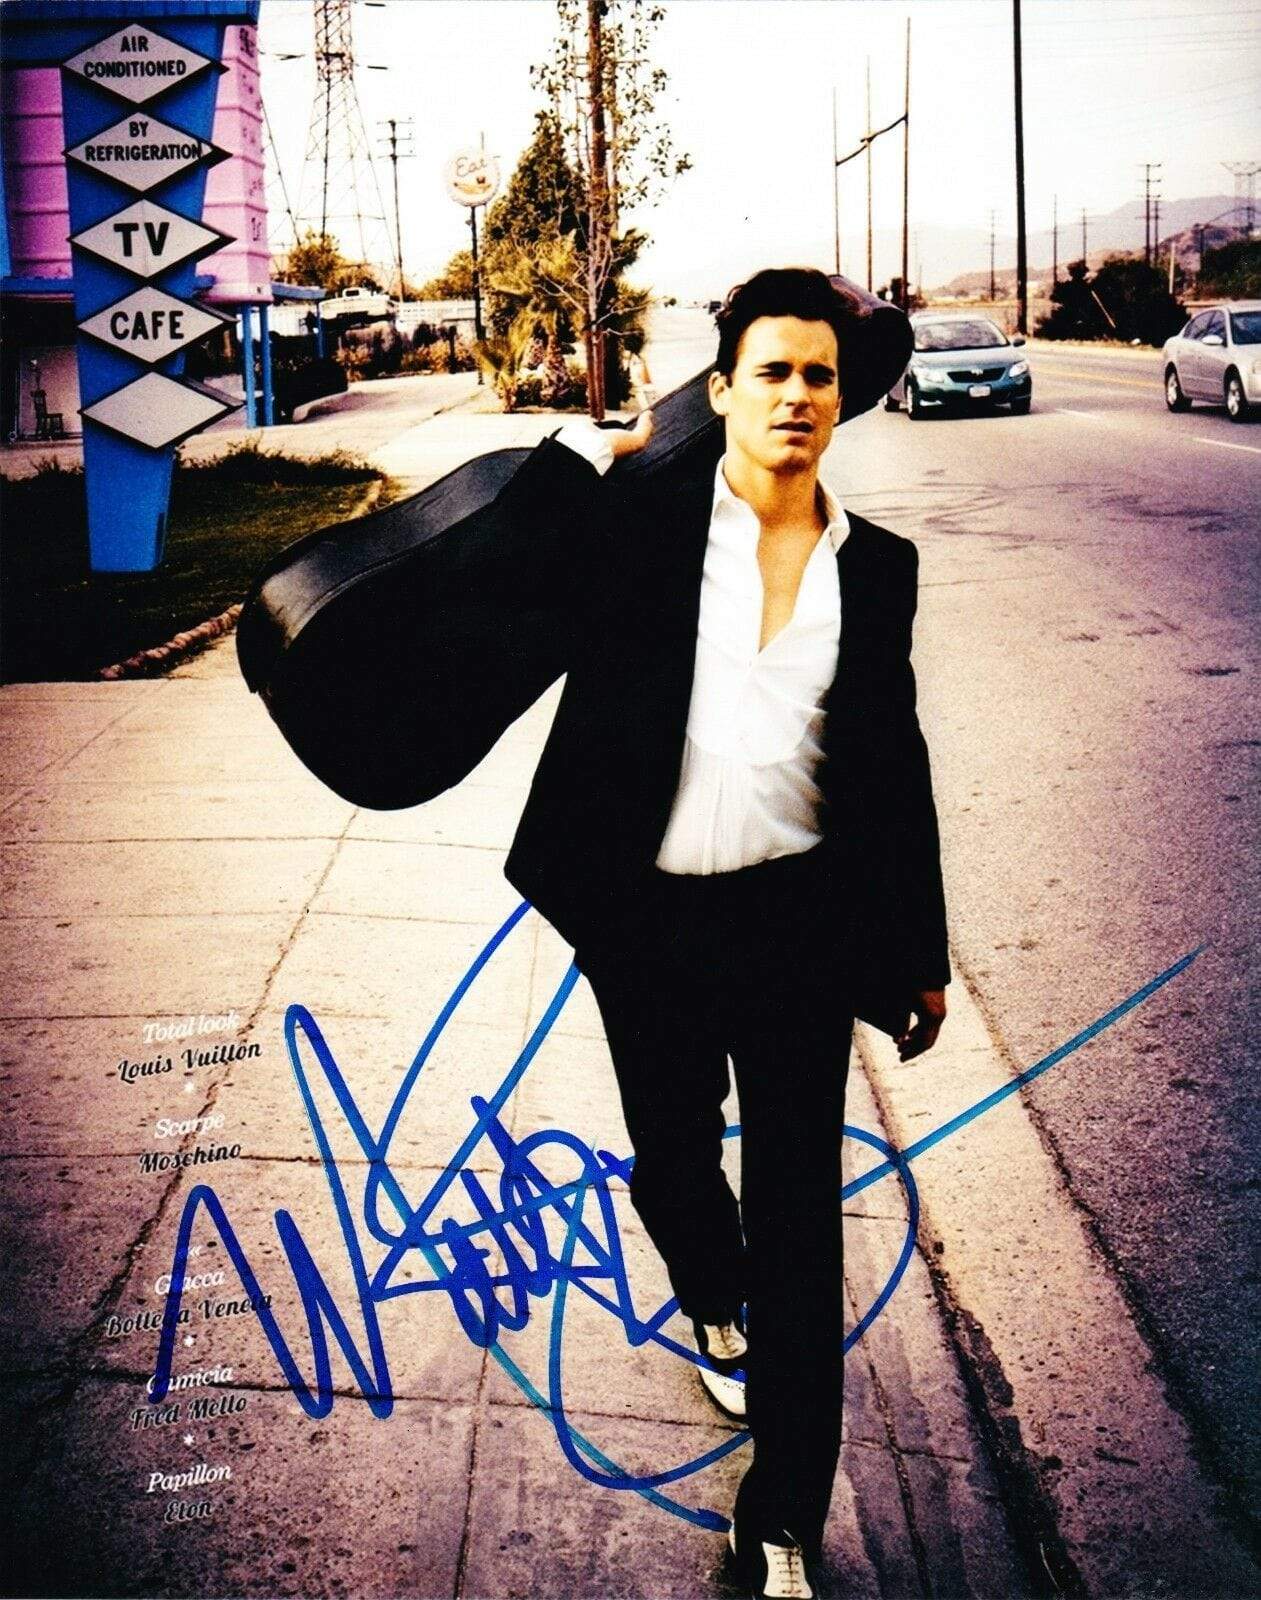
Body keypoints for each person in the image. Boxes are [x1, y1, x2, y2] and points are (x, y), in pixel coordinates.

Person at [499, 266, 950, 1600]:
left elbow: (892, 765)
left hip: (797, 926)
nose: (798, 395)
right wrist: (579, 455)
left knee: (803, 1222)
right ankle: (709, 1291)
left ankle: (780, 1518)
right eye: (774, 371)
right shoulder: (640, 526)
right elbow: (505, 580)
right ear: (724, 390)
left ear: (842, 400)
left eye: (821, 375)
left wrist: (916, 951)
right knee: (675, 1162)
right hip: (645, 917)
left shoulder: (879, 569)